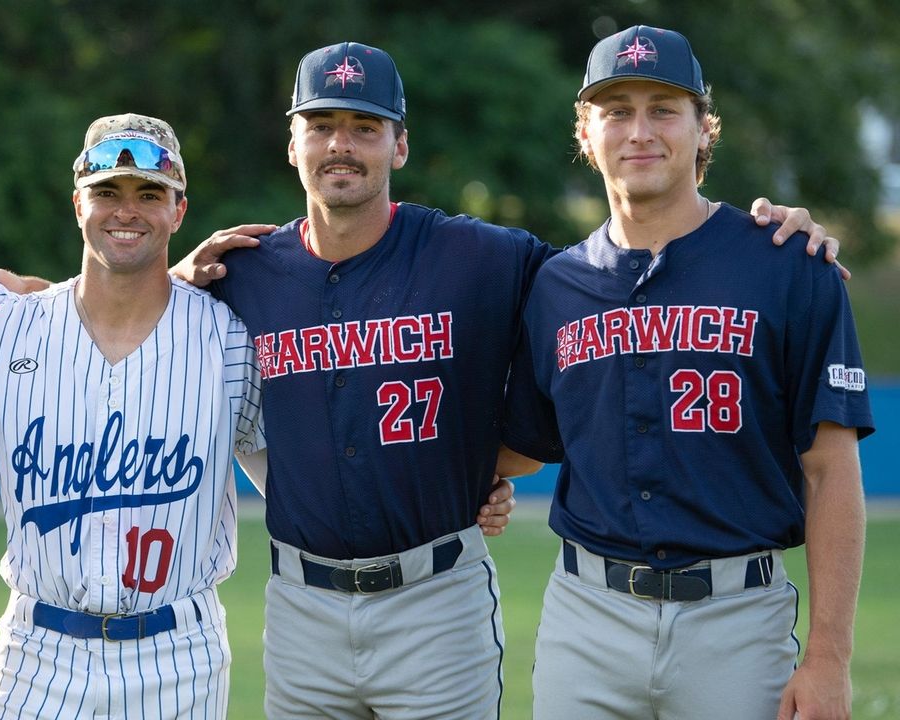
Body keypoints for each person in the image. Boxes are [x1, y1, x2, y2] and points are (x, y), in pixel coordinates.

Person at [167, 41, 844, 718]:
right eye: (321, 126)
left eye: (365, 127)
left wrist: (779, 236)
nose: (341, 144)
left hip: (450, 601)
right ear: (292, 143)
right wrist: (169, 286)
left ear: (399, 146)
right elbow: (113, 323)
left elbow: (633, 270)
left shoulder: (492, 259)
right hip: (308, 608)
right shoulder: (240, 275)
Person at [502, 25, 873, 720]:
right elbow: (525, 443)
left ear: (705, 131)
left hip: (736, 619)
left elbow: (830, 470)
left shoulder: (788, 265)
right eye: (616, 111)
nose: (639, 131)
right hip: (587, 618)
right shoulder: (556, 285)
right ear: (586, 135)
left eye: (664, 109)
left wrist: (828, 658)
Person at [0, 113, 265, 718]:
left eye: (149, 194)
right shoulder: (5, 331)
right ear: (78, 203)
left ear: (178, 211)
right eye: (107, 192)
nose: (126, 211)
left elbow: (297, 490)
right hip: (36, 654)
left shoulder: (230, 338)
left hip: (179, 655)